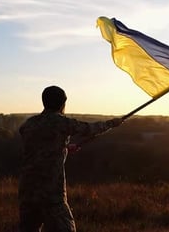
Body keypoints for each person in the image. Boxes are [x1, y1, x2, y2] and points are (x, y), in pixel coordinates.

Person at [18, 85, 123, 232]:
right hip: (51, 193)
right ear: (62, 104)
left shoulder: (28, 124)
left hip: (27, 190)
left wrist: (64, 148)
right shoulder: (61, 122)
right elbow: (89, 129)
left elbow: (40, 147)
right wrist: (113, 123)